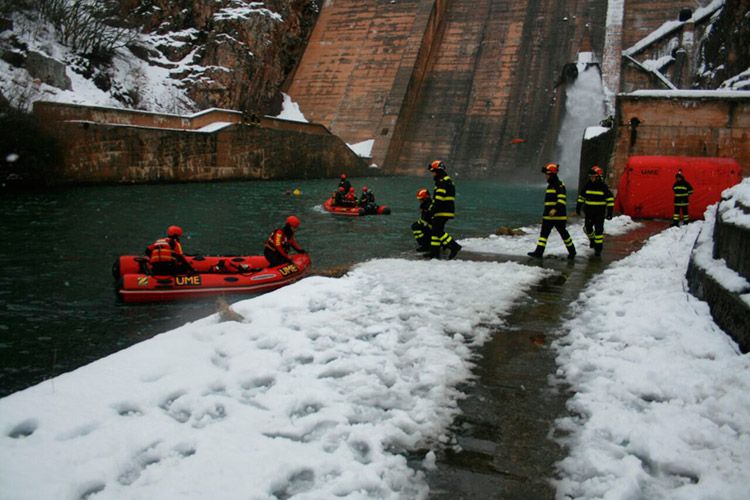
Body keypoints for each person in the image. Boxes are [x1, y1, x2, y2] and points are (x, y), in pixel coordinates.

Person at [528, 163, 576, 259]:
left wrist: (555, 209)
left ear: (551, 175)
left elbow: (561, 199)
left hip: (558, 216)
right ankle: (538, 252)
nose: (545, 176)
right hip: (548, 216)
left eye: (547, 174)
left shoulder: (559, 185)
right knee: (543, 234)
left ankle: (572, 251)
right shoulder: (551, 185)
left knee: (563, 233)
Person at [576, 166, 614, 257]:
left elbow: (610, 200)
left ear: (598, 177)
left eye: (593, 177)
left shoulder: (603, 187)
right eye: (591, 177)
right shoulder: (587, 186)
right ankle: (592, 240)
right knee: (588, 228)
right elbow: (582, 197)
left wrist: (609, 212)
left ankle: (598, 249)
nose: (592, 178)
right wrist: (578, 207)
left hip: (599, 213)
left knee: (599, 232)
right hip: (589, 212)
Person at [426, 160, 461, 259]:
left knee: (436, 230)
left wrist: (431, 211)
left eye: (433, 171)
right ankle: (434, 252)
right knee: (435, 230)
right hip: (445, 210)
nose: (432, 174)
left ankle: (454, 246)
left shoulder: (441, 182)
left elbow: (438, 200)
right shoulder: (446, 180)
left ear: (437, 171)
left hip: (442, 211)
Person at [411, 188, 432, 252]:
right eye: (419, 199)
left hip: (430, 226)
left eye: (421, 199)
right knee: (415, 226)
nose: (420, 201)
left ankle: (425, 245)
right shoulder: (425, 204)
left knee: (415, 227)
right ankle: (424, 244)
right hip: (427, 225)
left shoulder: (428, 205)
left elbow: (427, 218)